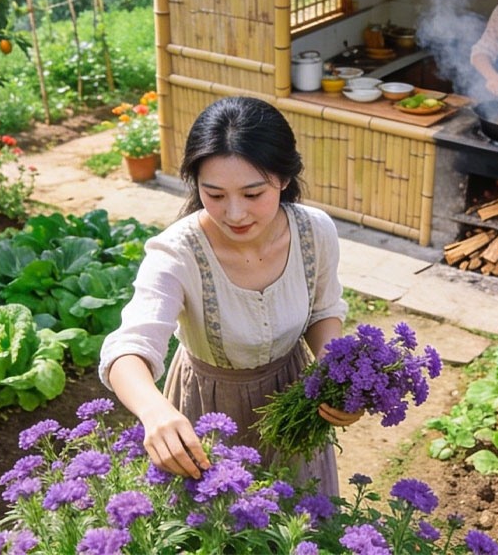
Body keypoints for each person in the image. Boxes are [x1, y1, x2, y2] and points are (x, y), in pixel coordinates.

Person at [98, 96, 359, 496]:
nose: (235, 213)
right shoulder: (177, 253)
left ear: (285, 179)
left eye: (253, 194)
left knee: (301, 527)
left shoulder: (314, 232)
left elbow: (323, 312)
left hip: (294, 404)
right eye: (215, 195)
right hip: (208, 414)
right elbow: (130, 346)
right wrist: (154, 412)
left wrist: (333, 373)